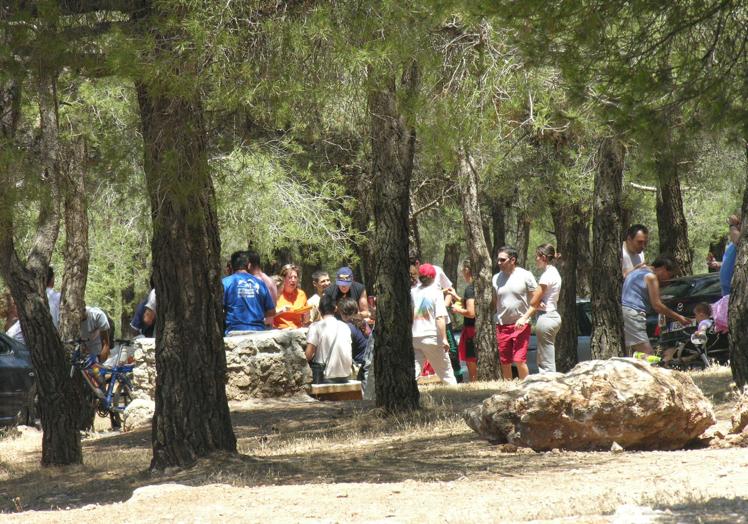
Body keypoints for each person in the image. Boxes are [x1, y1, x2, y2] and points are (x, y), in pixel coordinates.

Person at [622, 255, 690, 355]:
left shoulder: (638, 271)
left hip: (625, 313)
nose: (668, 281)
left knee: (632, 354)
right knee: (648, 354)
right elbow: (657, 305)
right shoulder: (651, 277)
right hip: (633, 315)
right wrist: (679, 318)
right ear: (663, 268)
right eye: (670, 275)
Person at [492, 246, 537, 380]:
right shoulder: (495, 278)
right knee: (505, 361)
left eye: (502, 260)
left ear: (512, 260)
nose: (499, 262)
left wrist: (525, 318)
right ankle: (508, 390)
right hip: (502, 326)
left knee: (519, 359)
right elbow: (495, 302)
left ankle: (525, 388)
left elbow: (535, 302)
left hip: (521, 325)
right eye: (498, 260)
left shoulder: (525, 275)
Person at [516, 244, 562, 374]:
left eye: (537, 256)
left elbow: (533, 301)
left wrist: (525, 315)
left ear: (543, 257)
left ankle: (549, 386)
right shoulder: (555, 273)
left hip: (546, 318)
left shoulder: (546, 276)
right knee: (546, 354)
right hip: (553, 316)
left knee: (545, 361)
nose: (535, 259)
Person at [411, 263, 457, 385]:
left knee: (413, 372)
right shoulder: (436, 293)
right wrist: (444, 339)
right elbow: (439, 318)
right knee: (446, 373)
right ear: (433, 277)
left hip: (414, 337)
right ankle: (456, 395)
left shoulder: (412, 292)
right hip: (431, 337)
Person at [222, 251, 275, 334]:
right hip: (258, 332)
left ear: (232, 266)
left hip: (233, 333)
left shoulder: (225, 283)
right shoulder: (260, 283)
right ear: (249, 265)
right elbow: (271, 311)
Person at [305, 294, 353, 384]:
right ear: (335, 309)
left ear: (319, 309)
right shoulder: (345, 326)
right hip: (345, 376)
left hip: (325, 377)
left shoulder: (315, 326)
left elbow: (308, 354)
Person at [449, 260, 477, 382]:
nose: (462, 274)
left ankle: (474, 382)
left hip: (471, 330)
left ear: (467, 270)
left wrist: (457, 309)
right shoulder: (479, 286)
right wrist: (457, 297)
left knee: (471, 360)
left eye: (462, 271)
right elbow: (471, 304)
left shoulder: (470, 289)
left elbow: (471, 313)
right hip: (476, 329)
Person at [273, 264, 309, 329]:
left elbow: (306, 320)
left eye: (295, 277)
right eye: (290, 277)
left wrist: (307, 315)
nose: (293, 280)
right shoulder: (276, 293)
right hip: (279, 331)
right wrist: (281, 311)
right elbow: (267, 317)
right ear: (283, 278)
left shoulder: (301, 294)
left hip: (297, 331)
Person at [338, 296, 368, 366]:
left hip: (360, 364)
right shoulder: (363, 321)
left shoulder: (347, 328)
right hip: (369, 360)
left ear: (343, 314)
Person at [719, 215, 741, 297]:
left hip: (736, 292)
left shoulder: (738, 240)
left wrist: (732, 226)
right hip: (726, 291)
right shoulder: (732, 244)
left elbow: (740, 243)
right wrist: (717, 264)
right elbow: (731, 263)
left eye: (738, 223)